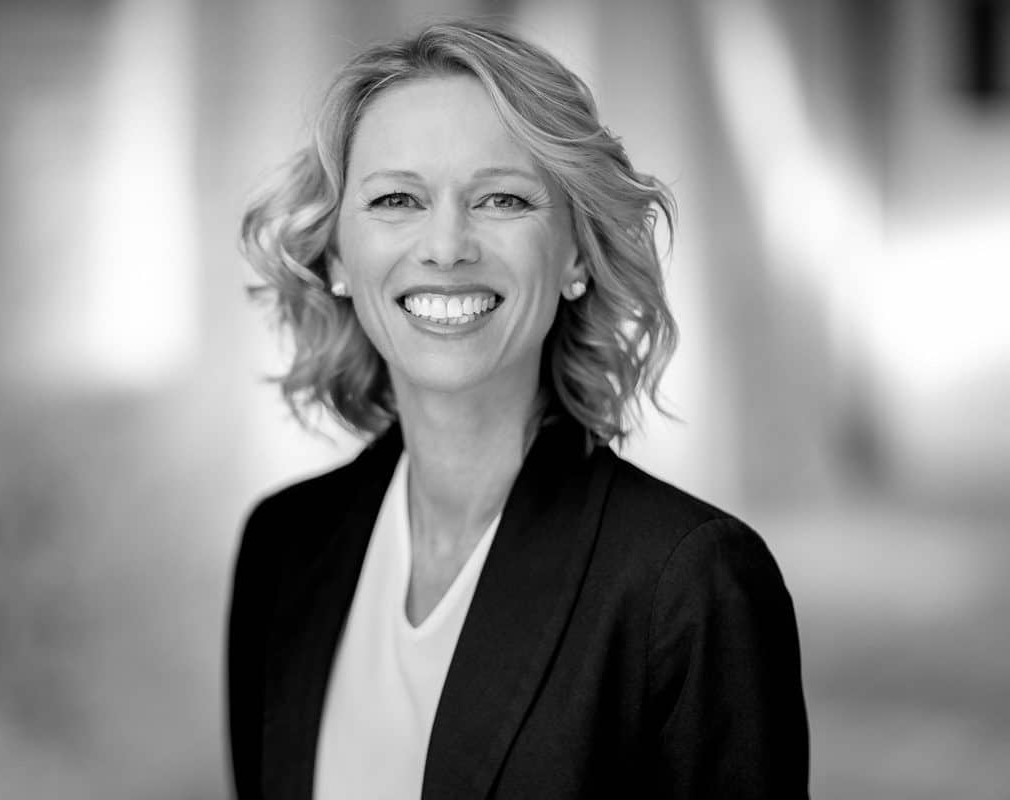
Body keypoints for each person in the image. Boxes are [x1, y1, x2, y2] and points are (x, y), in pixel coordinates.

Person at [229, 19, 809, 800]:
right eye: (397, 198)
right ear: (336, 255)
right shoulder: (283, 546)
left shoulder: (688, 585)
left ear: (575, 253)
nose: (446, 245)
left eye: (501, 198)